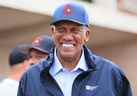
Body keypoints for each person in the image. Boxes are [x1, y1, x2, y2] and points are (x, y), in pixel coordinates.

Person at [17, 3, 132, 96]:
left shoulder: (111, 74)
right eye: (61, 30)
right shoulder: (31, 77)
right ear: (53, 32)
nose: (67, 37)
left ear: (86, 35)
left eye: (74, 30)